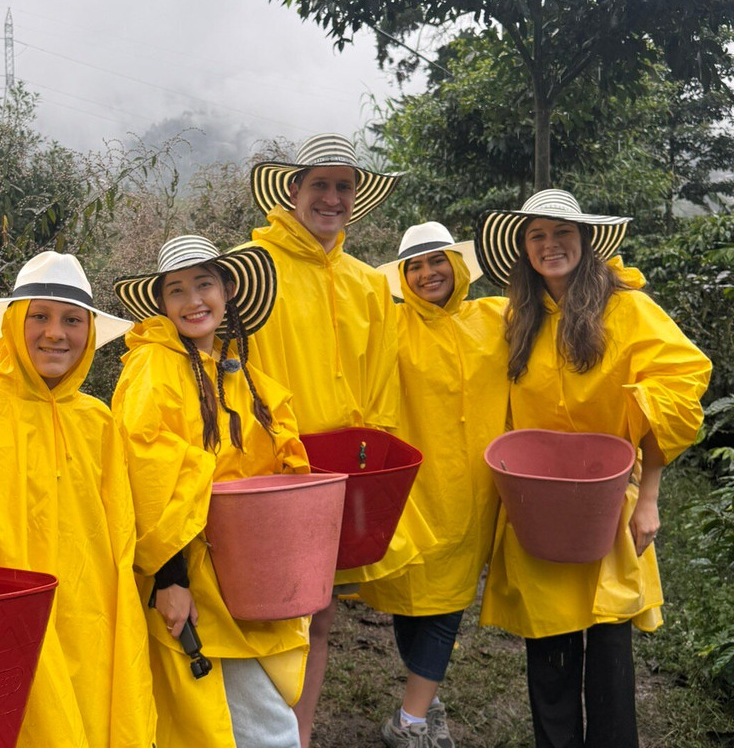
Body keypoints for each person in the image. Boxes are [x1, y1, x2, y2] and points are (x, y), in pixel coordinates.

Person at [475, 189, 712, 748]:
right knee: (549, 652)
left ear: (584, 240)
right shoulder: (516, 319)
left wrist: (648, 498)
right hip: (538, 507)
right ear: (523, 249)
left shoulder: (626, 310)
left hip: (607, 505)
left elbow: (675, 392)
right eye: (537, 235)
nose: (550, 245)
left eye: (562, 233)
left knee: (609, 652)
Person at [241, 132, 433, 745]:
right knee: (263, 612)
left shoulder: (369, 284)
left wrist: (368, 462)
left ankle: (298, 735)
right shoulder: (251, 267)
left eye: (343, 186)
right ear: (292, 191)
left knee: (318, 613)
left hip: (343, 469)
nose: (331, 198)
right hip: (270, 467)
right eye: (318, 184)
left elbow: (382, 383)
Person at [0, 251, 157, 748]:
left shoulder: (98, 421)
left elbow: (119, 536)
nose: (55, 334)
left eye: (71, 320)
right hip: (3, 623)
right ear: (13, 324)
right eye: (39, 316)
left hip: (91, 624)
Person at [112, 235, 310, 748]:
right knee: (259, 729)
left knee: (250, 715)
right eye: (176, 290)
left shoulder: (235, 369)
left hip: (252, 573)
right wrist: (170, 580)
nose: (193, 300)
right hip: (196, 579)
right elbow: (146, 475)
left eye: (204, 284)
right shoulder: (154, 367)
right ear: (162, 303)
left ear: (227, 291)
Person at [359, 222, 510, 748]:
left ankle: (410, 720)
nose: (428, 273)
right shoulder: (390, 324)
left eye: (438, 260)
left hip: (472, 490)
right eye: (416, 266)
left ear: (458, 265)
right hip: (408, 488)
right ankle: (424, 701)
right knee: (410, 599)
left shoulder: (495, 317)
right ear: (402, 276)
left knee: (447, 603)